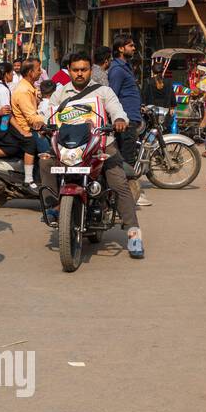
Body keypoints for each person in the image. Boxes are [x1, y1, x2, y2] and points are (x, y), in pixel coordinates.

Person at [41, 50, 144, 259]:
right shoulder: (60, 93)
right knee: (44, 163)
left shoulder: (103, 92)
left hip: (100, 144)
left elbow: (116, 109)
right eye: (76, 70)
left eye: (84, 70)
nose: (79, 73)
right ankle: (55, 206)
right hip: (68, 147)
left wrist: (119, 120)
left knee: (119, 183)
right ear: (69, 70)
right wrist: (40, 121)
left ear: (90, 71)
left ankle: (134, 233)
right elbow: (47, 112)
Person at [108, 33, 147, 206]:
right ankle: (129, 196)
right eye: (130, 46)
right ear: (121, 49)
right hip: (125, 120)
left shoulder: (125, 67)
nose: (134, 48)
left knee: (128, 156)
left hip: (132, 116)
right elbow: (112, 96)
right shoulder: (117, 70)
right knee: (127, 159)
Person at [10, 57, 47, 191]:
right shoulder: (23, 91)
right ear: (31, 72)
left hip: (33, 127)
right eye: (38, 69)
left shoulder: (30, 87)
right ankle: (30, 180)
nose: (41, 72)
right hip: (28, 129)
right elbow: (31, 117)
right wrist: (45, 122)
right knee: (47, 153)